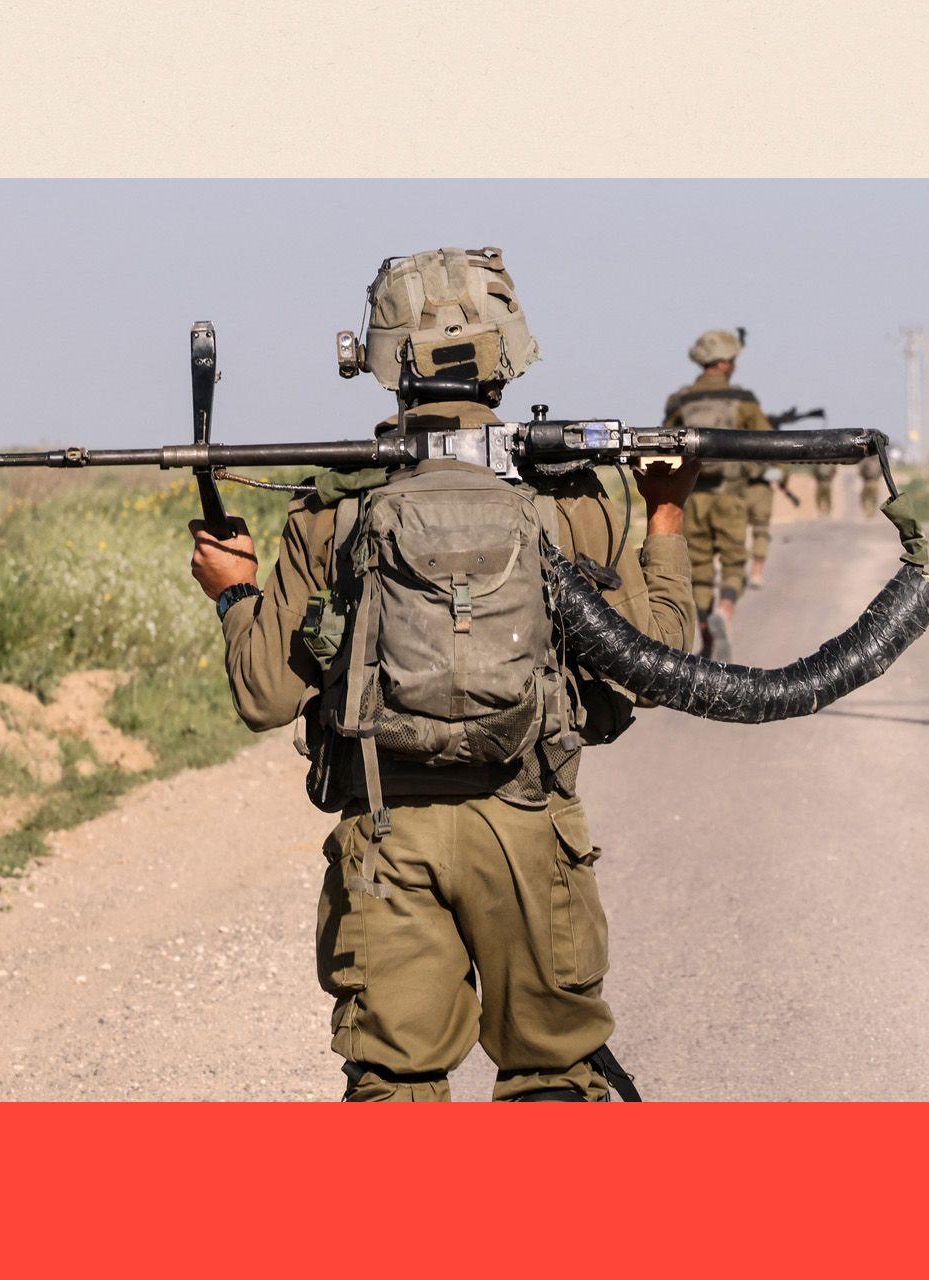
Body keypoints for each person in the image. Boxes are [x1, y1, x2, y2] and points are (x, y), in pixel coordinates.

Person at [187, 247, 697, 1101]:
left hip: (388, 836)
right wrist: (667, 514)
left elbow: (263, 694)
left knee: (394, 1082)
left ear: (380, 359)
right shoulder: (571, 503)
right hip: (533, 829)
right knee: (552, 1076)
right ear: (511, 353)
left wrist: (235, 592)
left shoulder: (334, 508)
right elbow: (658, 668)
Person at [665, 328, 773, 653]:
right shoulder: (743, 400)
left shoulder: (681, 400)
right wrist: (746, 470)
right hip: (730, 494)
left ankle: (705, 634)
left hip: (692, 496)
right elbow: (766, 445)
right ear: (725, 364)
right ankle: (724, 612)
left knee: (697, 567)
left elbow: (668, 444)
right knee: (733, 561)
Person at [857, 454, 885, 518]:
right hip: (873, 482)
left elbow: (860, 471)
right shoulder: (878, 461)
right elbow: (882, 471)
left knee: (867, 498)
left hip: (868, 482)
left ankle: (869, 512)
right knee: (872, 498)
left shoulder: (865, 461)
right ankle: (871, 512)